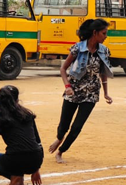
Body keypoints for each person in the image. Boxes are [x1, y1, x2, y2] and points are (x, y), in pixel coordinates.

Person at [49, 18, 114, 164]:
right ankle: (59, 138)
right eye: (104, 33)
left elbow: (103, 73)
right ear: (95, 33)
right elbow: (63, 69)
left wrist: (105, 93)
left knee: (77, 127)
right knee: (64, 125)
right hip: (73, 91)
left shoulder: (104, 51)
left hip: (91, 94)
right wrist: (67, 87)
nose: (106, 36)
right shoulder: (77, 48)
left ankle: (61, 151)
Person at [0, 85, 43, 185]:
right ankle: (19, 175)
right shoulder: (27, 115)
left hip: (14, 161)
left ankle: (15, 175)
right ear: (17, 99)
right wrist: (36, 168)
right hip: (36, 159)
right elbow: (38, 143)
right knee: (26, 153)